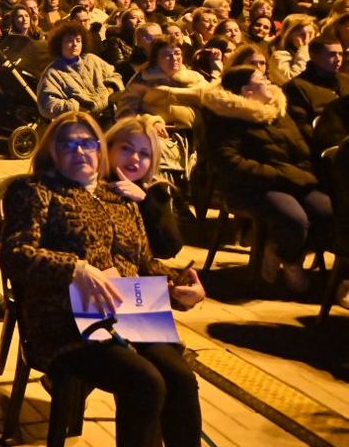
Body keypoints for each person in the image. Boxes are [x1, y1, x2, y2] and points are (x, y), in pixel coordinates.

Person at [0, 112, 206, 447]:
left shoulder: (120, 198)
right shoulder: (36, 191)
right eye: (68, 143)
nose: (79, 151)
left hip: (132, 311)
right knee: (145, 380)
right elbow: (15, 255)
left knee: (180, 378)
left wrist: (182, 287)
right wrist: (74, 268)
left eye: (88, 143)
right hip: (68, 319)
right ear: (51, 150)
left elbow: (144, 264)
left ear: (100, 150)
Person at [199, 66, 332, 293]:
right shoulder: (227, 117)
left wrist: (303, 173)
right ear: (247, 91)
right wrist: (281, 175)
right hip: (251, 187)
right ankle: (291, 261)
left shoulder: (276, 111)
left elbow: (299, 148)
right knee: (294, 219)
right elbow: (231, 163)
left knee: (329, 212)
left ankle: (278, 249)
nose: (269, 82)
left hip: (289, 179)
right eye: (262, 79)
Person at [102, 115, 185, 259]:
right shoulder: (91, 183)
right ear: (108, 148)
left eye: (144, 154)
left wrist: (145, 202)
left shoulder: (154, 192)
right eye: (126, 148)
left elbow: (170, 248)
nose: (135, 158)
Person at [37, 21, 123, 121]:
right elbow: (47, 105)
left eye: (78, 40)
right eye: (69, 41)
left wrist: (110, 89)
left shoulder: (92, 59)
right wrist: (75, 107)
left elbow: (115, 75)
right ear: (59, 44)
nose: (75, 44)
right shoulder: (52, 73)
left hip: (110, 116)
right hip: (81, 123)